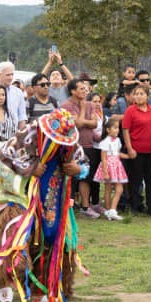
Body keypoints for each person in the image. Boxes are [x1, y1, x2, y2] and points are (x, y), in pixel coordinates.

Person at [0, 108, 90, 302]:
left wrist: (78, 169)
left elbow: (83, 163)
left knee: (53, 238)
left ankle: (46, 285)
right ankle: (4, 279)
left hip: (52, 197)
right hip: (17, 197)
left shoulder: (69, 141)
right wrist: (29, 170)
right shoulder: (26, 137)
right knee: (14, 236)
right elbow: (4, 164)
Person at [61, 78, 101, 216]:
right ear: (72, 91)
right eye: (81, 89)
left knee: (86, 177)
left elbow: (95, 123)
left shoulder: (90, 104)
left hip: (88, 144)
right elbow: (76, 124)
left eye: (86, 89)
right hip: (73, 146)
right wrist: (83, 110)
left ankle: (85, 207)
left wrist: (84, 120)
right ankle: (68, 206)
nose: (85, 91)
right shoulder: (66, 106)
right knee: (71, 177)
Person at [120, 83, 151, 215]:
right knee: (136, 180)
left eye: (141, 94)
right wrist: (130, 148)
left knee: (150, 180)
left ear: (148, 96)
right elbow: (125, 130)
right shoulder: (130, 110)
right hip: (136, 150)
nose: (138, 96)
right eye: (136, 94)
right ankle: (135, 205)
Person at [94, 115, 129, 220]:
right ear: (108, 130)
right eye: (115, 128)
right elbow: (103, 158)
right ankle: (109, 210)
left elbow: (117, 153)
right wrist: (105, 171)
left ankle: (112, 210)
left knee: (119, 189)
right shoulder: (105, 142)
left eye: (118, 128)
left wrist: (127, 156)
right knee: (108, 189)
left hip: (117, 165)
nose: (117, 130)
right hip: (109, 166)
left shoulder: (118, 140)